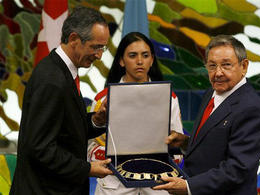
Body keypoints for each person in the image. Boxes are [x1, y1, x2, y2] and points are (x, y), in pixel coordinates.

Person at [10, 6, 113, 195]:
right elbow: (41, 148)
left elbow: (64, 131)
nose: (99, 55)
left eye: (102, 48)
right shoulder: (52, 79)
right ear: (74, 39)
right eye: (95, 47)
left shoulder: (63, 72)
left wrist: (95, 120)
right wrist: (88, 169)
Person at [153, 34, 260, 195]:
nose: (218, 73)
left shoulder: (251, 108)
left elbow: (237, 169)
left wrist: (188, 187)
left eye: (226, 65)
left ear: (244, 66)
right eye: (212, 66)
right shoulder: (212, 92)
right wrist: (186, 142)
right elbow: (216, 143)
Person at [87, 32, 184, 195]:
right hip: (114, 186)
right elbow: (90, 149)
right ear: (121, 61)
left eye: (145, 55)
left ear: (152, 60)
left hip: (157, 185)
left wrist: (165, 153)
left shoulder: (170, 98)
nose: (140, 61)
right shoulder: (103, 99)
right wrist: (117, 158)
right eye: (132, 55)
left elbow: (177, 148)